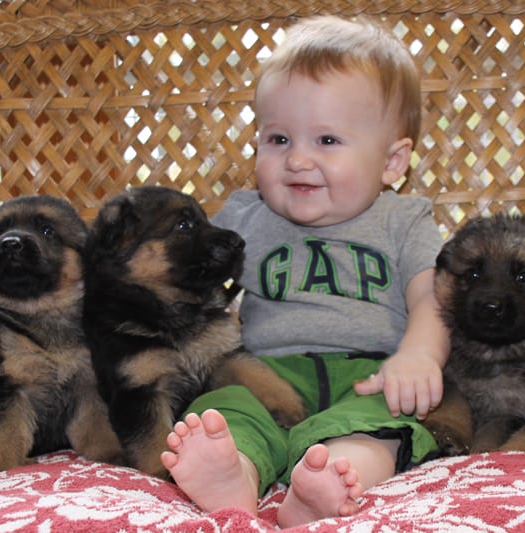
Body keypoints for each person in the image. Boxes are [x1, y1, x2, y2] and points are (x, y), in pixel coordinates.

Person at [160, 14, 450, 527]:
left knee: (384, 424)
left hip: (370, 374)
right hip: (267, 371)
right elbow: (188, 283)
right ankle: (236, 475)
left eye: (328, 141)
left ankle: (333, 478)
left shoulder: (404, 220)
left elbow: (432, 297)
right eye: (278, 140)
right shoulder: (244, 217)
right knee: (222, 409)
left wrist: (418, 355)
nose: (297, 160)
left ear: (392, 161)